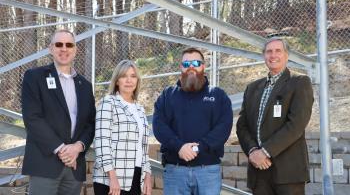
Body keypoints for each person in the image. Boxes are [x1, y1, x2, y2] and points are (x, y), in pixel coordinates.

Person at [21, 29, 96, 195]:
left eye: (69, 45)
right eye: (59, 44)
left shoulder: (85, 85)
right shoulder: (34, 77)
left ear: (75, 50)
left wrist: (77, 147)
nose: (64, 49)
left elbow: (90, 123)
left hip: (74, 167)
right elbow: (32, 118)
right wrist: (63, 150)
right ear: (51, 48)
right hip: (45, 164)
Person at [236, 37, 314, 195]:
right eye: (269, 51)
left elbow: (296, 125)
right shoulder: (252, 88)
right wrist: (252, 151)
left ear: (286, 55)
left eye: (278, 51)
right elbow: (241, 125)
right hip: (259, 172)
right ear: (264, 56)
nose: (273, 55)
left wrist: (265, 152)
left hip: (288, 172)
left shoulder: (299, 83)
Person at [153, 47, 233, 195]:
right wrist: (179, 147)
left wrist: (199, 147)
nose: (191, 67)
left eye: (196, 63)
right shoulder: (167, 95)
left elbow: (223, 128)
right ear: (180, 67)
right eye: (186, 64)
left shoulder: (218, 95)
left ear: (203, 66)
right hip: (175, 171)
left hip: (207, 172)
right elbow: (158, 126)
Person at [93, 60, 152, 195]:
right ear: (117, 80)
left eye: (133, 76)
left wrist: (147, 174)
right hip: (111, 179)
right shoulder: (108, 102)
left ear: (137, 80)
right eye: (124, 76)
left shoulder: (140, 109)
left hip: (136, 178)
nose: (129, 80)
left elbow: (143, 148)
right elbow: (102, 143)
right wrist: (112, 177)